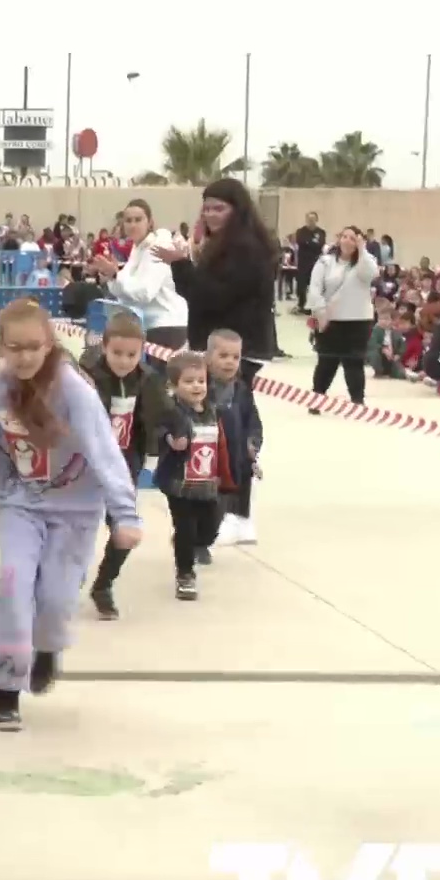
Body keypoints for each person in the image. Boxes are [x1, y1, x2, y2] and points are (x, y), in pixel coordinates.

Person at [0, 301, 142, 732]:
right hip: (22, 503)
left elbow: (105, 452)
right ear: (2, 348)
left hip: (76, 511)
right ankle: (5, 687)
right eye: (15, 348)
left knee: (56, 599)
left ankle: (47, 647)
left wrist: (125, 515)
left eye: (34, 347)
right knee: (13, 584)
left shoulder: (74, 391)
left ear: (49, 344)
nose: (25, 356)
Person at [80, 314, 173, 620]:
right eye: (117, 353)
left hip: (123, 465)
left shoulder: (147, 380)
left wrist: (178, 432)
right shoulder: (87, 376)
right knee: (74, 527)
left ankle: (103, 586)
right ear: (104, 347)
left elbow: (167, 413)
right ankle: (63, 581)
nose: (124, 360)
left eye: (131, 354)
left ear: (142, 351)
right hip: (84, 465)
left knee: (124, 528)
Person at [159, 178, 277, 367]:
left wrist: (181, 264)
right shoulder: (219, 245)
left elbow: (212, 296)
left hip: (235, 352)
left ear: (237, 211)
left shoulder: (245, 248)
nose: (210, 214)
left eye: (219, 209)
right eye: (206, 209)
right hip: (218, 347)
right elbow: (195, 293)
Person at [152, 352, 231, 601]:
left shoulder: (214, 411)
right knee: (185, 527)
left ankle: (195, 542)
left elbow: (227, 441)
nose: (196, 386)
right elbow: (157, 430)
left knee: (209, 527)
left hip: (208, 482)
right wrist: (170, 440)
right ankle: (185, 575)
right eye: (188, 381)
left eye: (201, 380)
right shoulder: (172, 411)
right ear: (174, 386)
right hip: (179, 484)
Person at [91, 199, 189, 353]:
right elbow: (125, 292)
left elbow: (145, 293)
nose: (133, 225)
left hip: (166, 325)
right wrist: (111, 277)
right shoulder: (137, 248)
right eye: (128, 220)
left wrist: (116, 275)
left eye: (138, 219)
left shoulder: (159, 247)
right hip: (147, 325)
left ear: (150, 222)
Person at [306, 225, 379, 409]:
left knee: (354, 363)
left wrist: (362, 250)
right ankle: (317, 399)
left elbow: (369, 274)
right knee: (326, 362)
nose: (347, 241)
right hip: (330, 319)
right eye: (344, 236)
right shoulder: (325, 262)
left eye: (353, 238)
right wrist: (320, 311)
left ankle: (357, 402)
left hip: (357, 320)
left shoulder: (366, 260)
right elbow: (315, 288)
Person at [205, 329, 263, 547]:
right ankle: (196, 540)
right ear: (208, 357)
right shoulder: (199, 385)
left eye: (235, 357)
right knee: (202, 505)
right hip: (206, 457)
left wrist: (253, 443)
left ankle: (235, 525)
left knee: (228, 501)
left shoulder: (241, 390)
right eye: (223, 356)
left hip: (235, 457)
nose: (230, 362)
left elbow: (252, 420)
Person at [291, 212, 326, 315]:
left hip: (316, 263)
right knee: (301, 285)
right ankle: (301, 304)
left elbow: (320, 244)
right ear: (306, 220)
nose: (311, 221)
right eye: (309, 219)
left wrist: (309, 243)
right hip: (303, 263)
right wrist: (312, 243)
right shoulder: (301, 232)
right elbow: (301, 242)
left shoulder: (321, 232)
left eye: (313, 219)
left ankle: (313, 306)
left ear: (316, 220)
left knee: (314, 286)